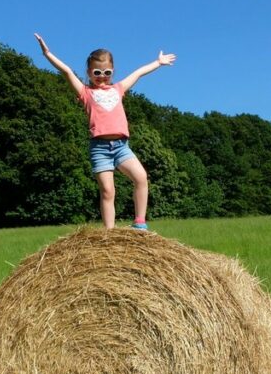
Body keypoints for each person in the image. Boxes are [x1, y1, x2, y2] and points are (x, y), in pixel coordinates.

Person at [34, 33, 177, 230]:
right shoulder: (85, 92)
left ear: (112, 72)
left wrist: (158, 62)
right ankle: (109, 234)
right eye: (97, 73)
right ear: (89, 72)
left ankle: (140, 223)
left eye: (107, 72)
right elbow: (66, 71)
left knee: (141, 178)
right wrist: (47, 53)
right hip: (99, 148)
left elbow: (138, 73)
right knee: (108, 191)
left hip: (121, 147)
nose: (102, 77)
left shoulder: (118, 89)